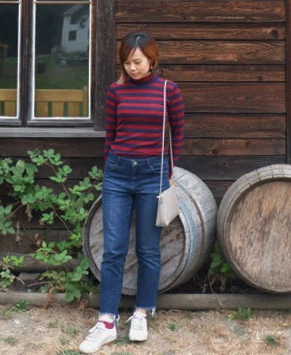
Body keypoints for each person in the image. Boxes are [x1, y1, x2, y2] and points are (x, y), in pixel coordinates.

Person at [79, 31, 184, 354]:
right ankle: (107, 321)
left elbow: (177, 133)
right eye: (127, 62)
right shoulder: (116, 91)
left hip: (153, 174)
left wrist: (166, 171)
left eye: (137, 61)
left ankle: (141, 312)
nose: (133, 68)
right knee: (113, 248)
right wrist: (114, 163)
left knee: (149, 249)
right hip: (118, 174)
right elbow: (110, 134)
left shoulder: (169, 90)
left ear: (151, 59)